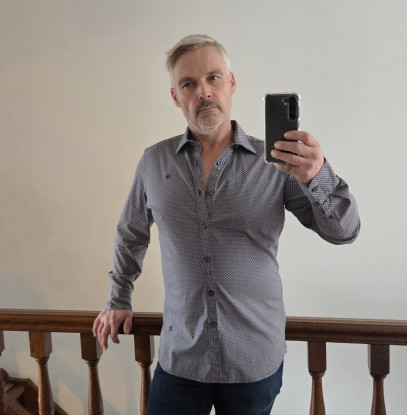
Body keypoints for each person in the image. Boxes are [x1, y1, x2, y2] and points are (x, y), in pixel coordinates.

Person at [93, 34, 360, 414]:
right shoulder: (154, 161)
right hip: (181, 356)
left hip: (254, 356)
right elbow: (130, 234)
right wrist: (118, 299)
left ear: (231, 83)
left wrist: (317, 176)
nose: (204, 91)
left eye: (213, 77)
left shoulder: (277, 162)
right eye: (189, 83)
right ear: (175, 96)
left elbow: (344, 232)